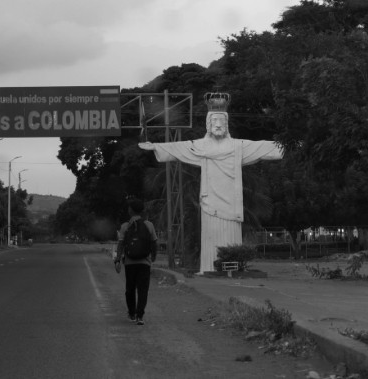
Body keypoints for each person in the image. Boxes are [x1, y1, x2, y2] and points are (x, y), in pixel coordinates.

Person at [138, 96, 282, 274]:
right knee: (211, 236)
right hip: (210, 203)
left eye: (222, 120)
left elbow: (262, 147)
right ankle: (208, 268)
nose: (219, 124)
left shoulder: (238, 146)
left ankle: (232, 267)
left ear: (227, 124)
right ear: (209, 124)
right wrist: (155, 147)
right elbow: (179, 148)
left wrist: (285, 145)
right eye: (215, 120)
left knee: (230, 237)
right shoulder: (201, 147)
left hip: (231, 202)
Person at [114, 199, 158, 326]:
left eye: (129, 208)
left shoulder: (125, 226)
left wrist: (117, 260)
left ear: (131, 210)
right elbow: (154, 243)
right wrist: (153, 257)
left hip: (129, 263)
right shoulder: (149, 225)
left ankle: (132, 313)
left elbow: (121, 245)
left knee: (130, 289)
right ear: (142, 211)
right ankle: (140, 316)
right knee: (143, 289)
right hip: (145, 262)